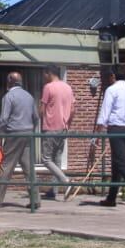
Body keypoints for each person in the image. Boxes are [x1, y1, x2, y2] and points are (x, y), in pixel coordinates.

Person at [0, 71, 39, 209]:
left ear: (10, 81)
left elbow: (3, 119)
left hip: (14, 134)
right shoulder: (29, 96)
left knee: (6, 166)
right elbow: (36, 117)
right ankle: (35, 200)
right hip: (28, 134)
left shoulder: (9, 96)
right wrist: (31, 130)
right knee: (29, 168)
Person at [96, 67, 125, 208]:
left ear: (113, 76)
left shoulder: (111, 90)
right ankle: (111, 198)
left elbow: (105, 111)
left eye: (108, 77)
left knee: (121, 161)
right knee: (116, 163)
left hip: (116, 129)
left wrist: (98, 132)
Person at [38, 65, 74, 200]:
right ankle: (54, 191)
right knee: (57, 158)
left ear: (48, 73)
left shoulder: (48, 87)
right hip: (63, 128)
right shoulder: (68, 87)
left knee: (46, 159)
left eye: (44, 75)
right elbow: (73, 109)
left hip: (51, 127)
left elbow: (42, 109)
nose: (43, 78)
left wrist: (39, 118)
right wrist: (67, 124)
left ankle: (66, 181)